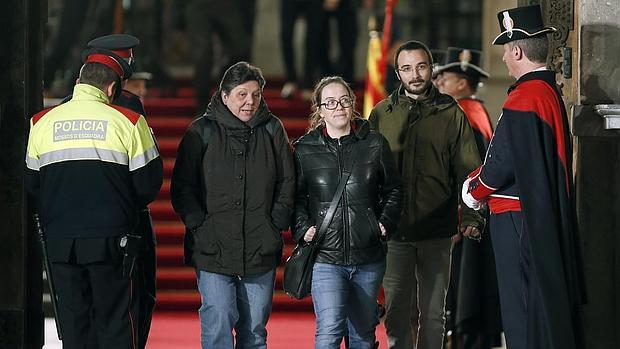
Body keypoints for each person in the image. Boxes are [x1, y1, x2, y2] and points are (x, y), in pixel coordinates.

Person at [462, 5, 585, 349]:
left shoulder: (525, 97)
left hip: (517, 219)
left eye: (505, 50)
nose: (503, 59)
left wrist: (473, 190)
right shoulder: (546, 93)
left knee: (520, 307)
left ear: (517, 50)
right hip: (534, 215)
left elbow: (503, 163)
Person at [25, 48, 163, 349]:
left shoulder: (41, 122)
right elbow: (148, 186)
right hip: (112, 244)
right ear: (112, 88)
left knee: (75, 327)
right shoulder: (128, 120)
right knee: (115, 323)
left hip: (61, 244)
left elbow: (33, 185)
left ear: (78, 81)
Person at [368, 40, 484, 349]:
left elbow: (469, 169)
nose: (415, 74)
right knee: (396, 311)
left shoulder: (451, 113)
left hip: (437, 229)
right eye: (407, 68)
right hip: (394, 232)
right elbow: (368, 173)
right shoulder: (381, 114)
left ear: (431, 69)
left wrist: (472, 215)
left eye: (421, 67)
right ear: (398, 73)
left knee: (434, 315)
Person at [170, 62, 295, 349]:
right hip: (212, 246)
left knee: (254, 331)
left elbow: (288, 181)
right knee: (218, 322)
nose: (250, 102)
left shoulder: (272, 129)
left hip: (259, 245)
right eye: (242, 95)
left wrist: (274, 223)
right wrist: (200, 224)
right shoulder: (200, 131)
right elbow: (182, 186)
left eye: (255, 95)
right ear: (224, 96)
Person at [293, 76, 403, 349]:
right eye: (330, 102)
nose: (338, 107)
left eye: (344, 100)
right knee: (329, 330)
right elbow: (295, 197)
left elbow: (394, 189)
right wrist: (302, 227)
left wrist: (383, 224)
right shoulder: (304, 149)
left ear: (353, 104)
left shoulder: (375, 144)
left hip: (367, 256)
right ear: (319, 109)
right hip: (325, 256)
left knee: (363, 336)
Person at [435, 47, 502, 349]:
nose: (439, 83)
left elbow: (463, 174)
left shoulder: (462, 117)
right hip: (477, 217)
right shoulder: (478, 112)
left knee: (464, 291)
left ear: (462, 82)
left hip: (465, 219)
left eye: (445, 78)